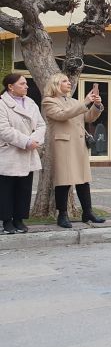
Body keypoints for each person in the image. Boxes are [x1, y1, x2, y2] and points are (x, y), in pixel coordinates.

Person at [41, 73, 105, 229]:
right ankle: (62, 215)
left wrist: (96, 106)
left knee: (84, 180)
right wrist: (84, 102)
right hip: (63, 144)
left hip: (79, 143)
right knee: (64, 181)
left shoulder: (74, 101)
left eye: (69, 81)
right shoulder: (49, 101)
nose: (69, 83)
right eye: (65, 81)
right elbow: (62, 115)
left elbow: (89, 118)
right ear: (56, 84)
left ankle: (87, 212)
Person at [0, 74, 46, 234]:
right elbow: (4, 129)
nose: (27, 86)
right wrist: (26, 141)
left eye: (26, 83)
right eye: (22, 84)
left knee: (24, 188)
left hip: (28, 151)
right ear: (10, 86)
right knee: (6, 188)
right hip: (9, 152)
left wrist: (34, 141)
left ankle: (19, 219)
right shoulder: (2, 103)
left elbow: (41, 125)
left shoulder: (31, 102)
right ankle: (6, 221)